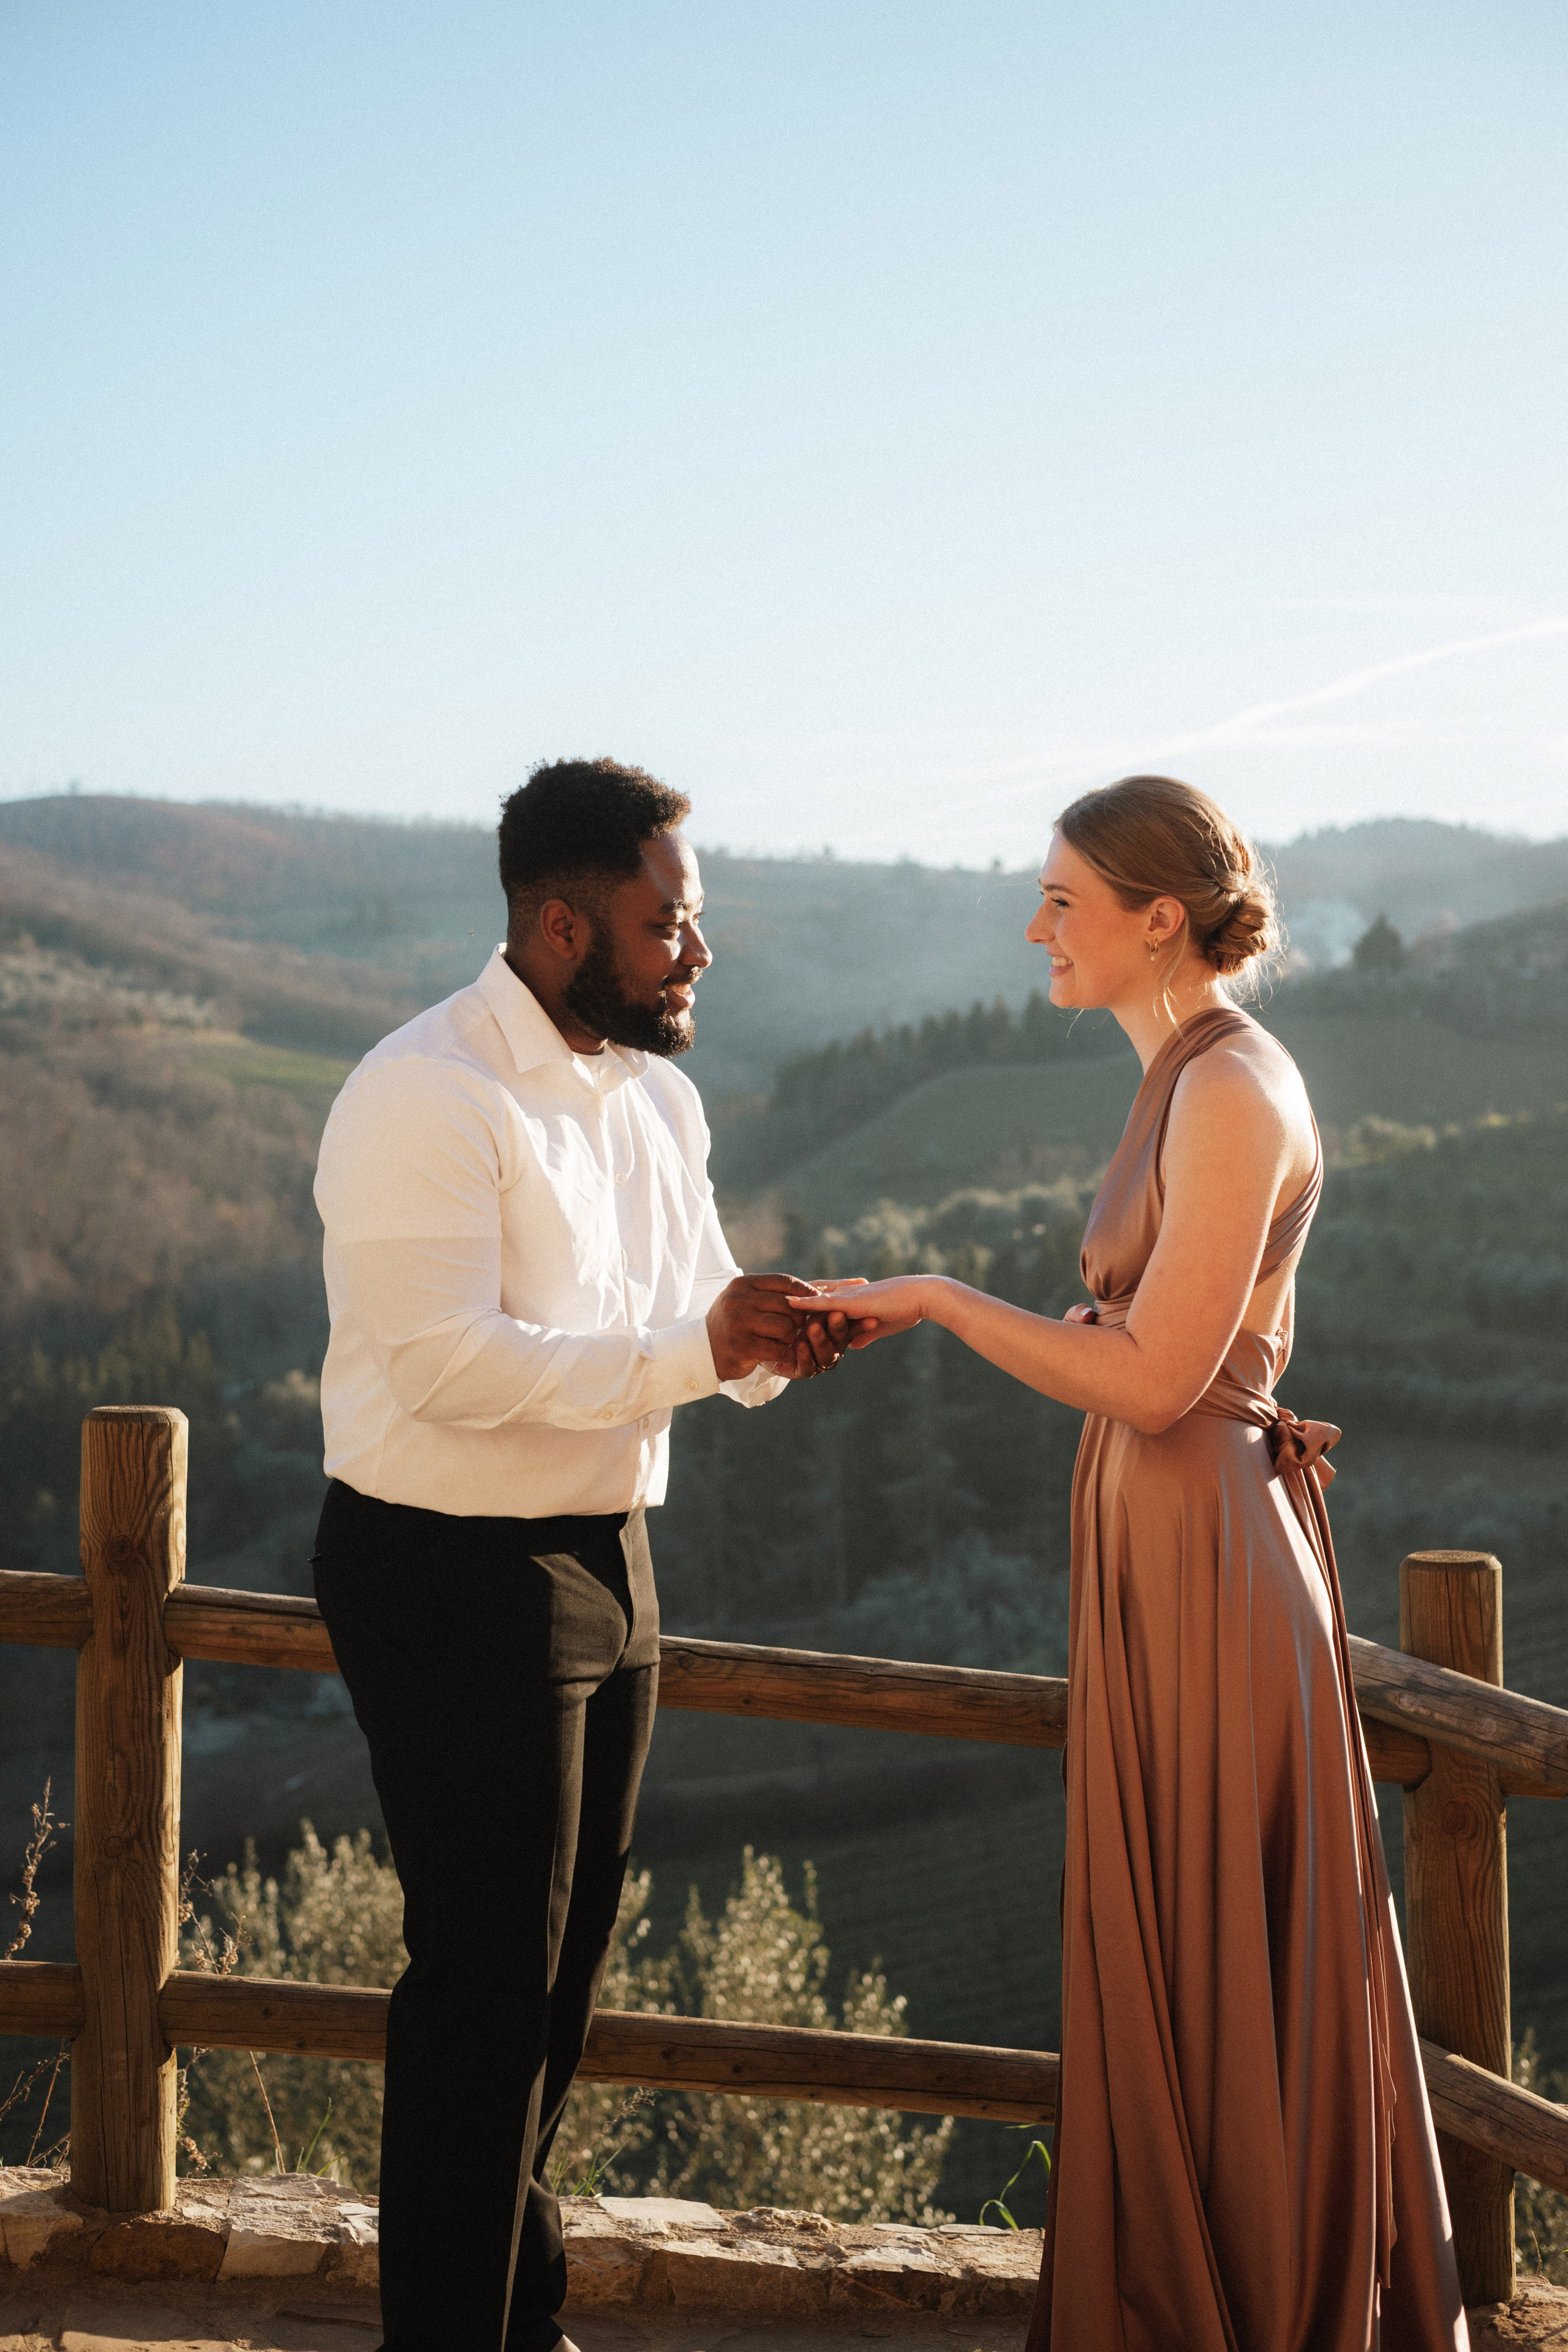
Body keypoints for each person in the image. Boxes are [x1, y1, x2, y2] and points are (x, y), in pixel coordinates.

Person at [787, 775, 1469, 2351]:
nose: (1035, 926)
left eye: (1062, 901)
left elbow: (1168, 1384)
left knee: (1216, 1938)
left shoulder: (1229, 1088)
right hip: (1161, 1550)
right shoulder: (1173, 1075)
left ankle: (1237, 2307)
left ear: (1157, 917)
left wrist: (943, 1299)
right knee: (1172, 1936)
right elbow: (1170, 1339)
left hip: (1210, 1563)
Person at [311, 756, 848, 2352]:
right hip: (443, 1564)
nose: (698, 950)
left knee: (558, 1990)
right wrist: (698, 1351)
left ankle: (515, 2309)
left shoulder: (658, 1100)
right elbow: (446, 1368)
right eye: (665, 922)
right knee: (481, 1986)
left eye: (697, 921)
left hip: (609, 1553)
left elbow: (692, 1318)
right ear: (559, 925)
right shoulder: (422, 1091)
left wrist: (780, 1336)